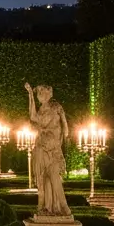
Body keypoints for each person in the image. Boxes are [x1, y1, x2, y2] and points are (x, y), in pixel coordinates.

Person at [24, 81, 71, 216]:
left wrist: (61, 138)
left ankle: (63, 206)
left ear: (48, 94)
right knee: (43, 179)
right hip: (41, 147)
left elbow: (63, 126)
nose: (40, 96)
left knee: (54, 177)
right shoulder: (42, 109)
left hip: (52, 147)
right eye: (38, 94)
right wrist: (30, 95)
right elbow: (33, 117)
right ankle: (45, 207)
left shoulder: (55, 107)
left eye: (42, 93)